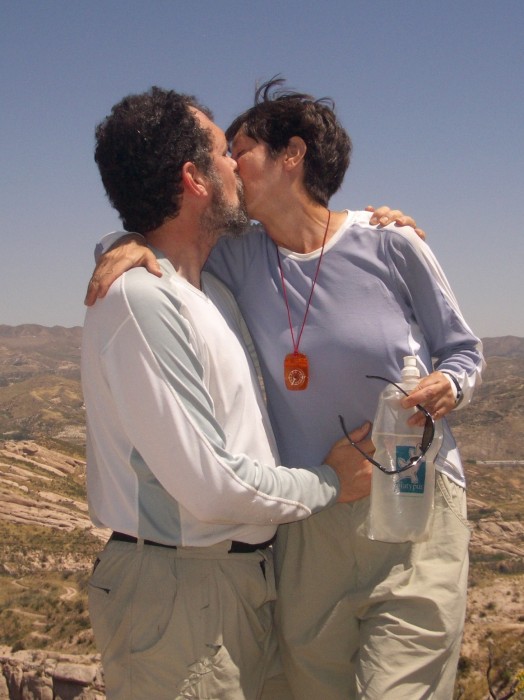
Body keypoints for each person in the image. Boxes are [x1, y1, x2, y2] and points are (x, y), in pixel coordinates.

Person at [86, 79, 484, 699]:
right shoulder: (233, 261)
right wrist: (123, 242)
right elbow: (166, 251)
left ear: (291, 156)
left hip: (409, 499)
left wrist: (450, 384)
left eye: (238, 149)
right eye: (225, 154)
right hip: (305, 531)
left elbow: (463, 349)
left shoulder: (387, 244)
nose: (232, 168)